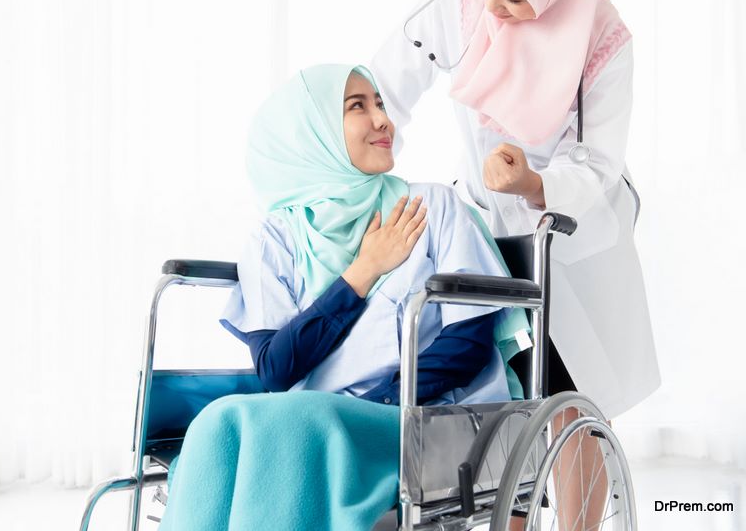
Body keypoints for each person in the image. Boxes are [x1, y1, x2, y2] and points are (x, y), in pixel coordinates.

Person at [158, 64, 529, 531]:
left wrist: (384, 400)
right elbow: (277, 368)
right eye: (358, 106)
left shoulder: (431, 208)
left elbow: (469, 341)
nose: (382, 120)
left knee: (297, 425)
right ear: (311, 134)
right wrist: (361, 272)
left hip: (418, 415)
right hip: (315, 410)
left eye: (379, 103)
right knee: (218, 421)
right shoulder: (276, 237)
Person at [370, 0, 659, 422]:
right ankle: (513, 510)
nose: (493, 7)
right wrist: (364, 169)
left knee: (572, 401)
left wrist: (532, 184)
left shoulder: (604, 39)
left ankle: (580, 509)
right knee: (500, 392)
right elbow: (384, 87)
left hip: (569, 230)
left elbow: (598, 160)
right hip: (482, 221)